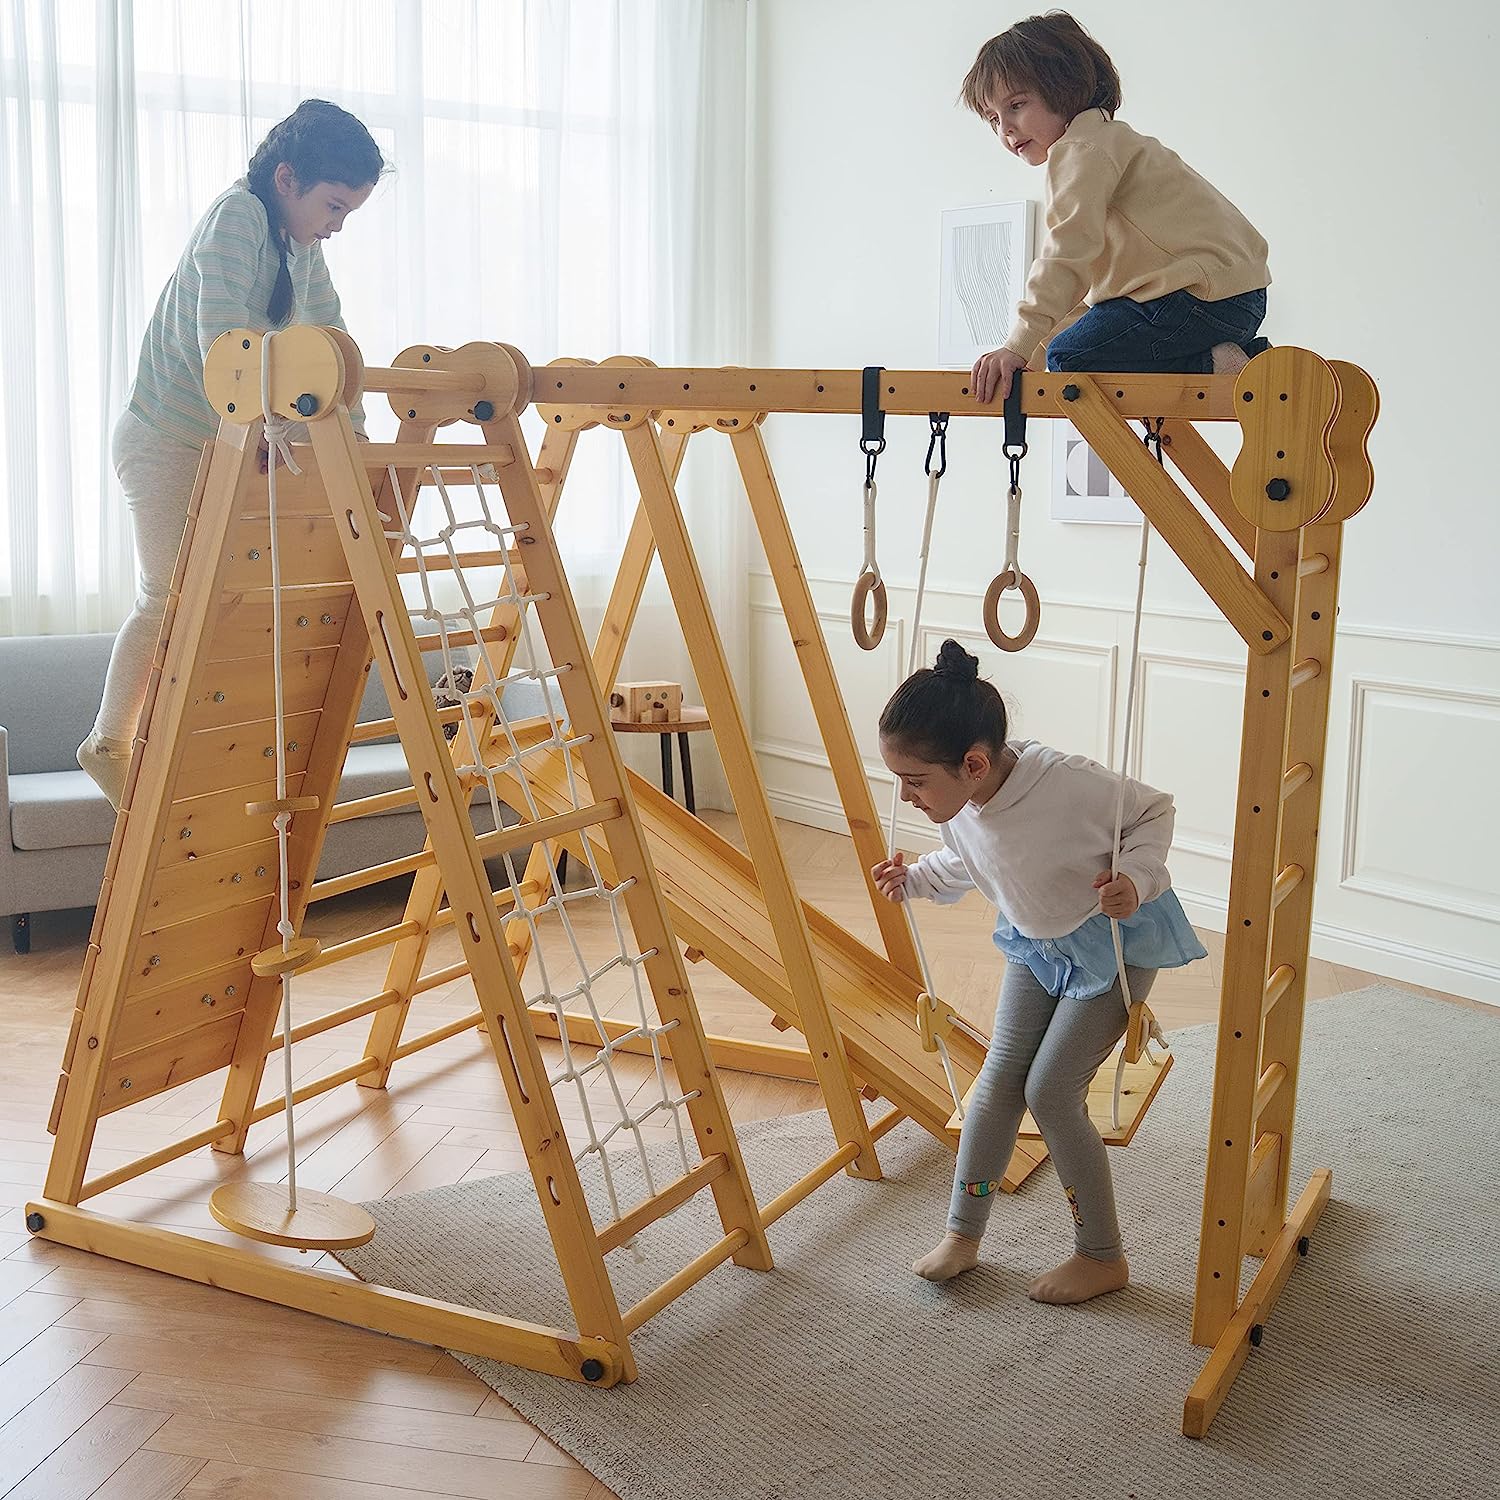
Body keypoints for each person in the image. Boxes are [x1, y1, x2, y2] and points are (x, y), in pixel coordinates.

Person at [871, 640, 1206, 1303]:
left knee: (1051, 1093)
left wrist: (1134, 880)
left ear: (972, 764)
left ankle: (1102, 1255)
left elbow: (1154, 811)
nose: (905, 795)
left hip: (1113, 941)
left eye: (914, 781)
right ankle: (963, 1234)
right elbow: (979, 861)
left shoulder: (1068, 783)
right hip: (1037, 940)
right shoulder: (961, 804)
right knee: (998, 1080)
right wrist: (916, 879)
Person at [78, 99, 383, 808]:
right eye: (333, 206)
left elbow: (329, 338)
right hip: (166, 439)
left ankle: (184, 738)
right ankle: (108, 742)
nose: (336, 226)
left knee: (226, 595)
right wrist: (270, 426)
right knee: (169, 595)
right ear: (286, 179)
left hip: (221, 439)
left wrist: (356, 434)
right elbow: (219, 344)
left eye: (347, 214)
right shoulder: (238, 219)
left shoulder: (295, 246)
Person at [962, 11, 1271, 404]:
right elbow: (1083, 291)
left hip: (1194, 300)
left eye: (1017, 105)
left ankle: (1215, 367)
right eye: (992, 119)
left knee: (1071, 358)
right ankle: (1250, 361)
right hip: (1234, 300)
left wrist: (1019, 345)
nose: (1005, 128)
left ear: (1064, 88)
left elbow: (1065, 255)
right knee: (1071, 347)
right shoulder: (1110, 141)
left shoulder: (1080, 150)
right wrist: (1031, 360)